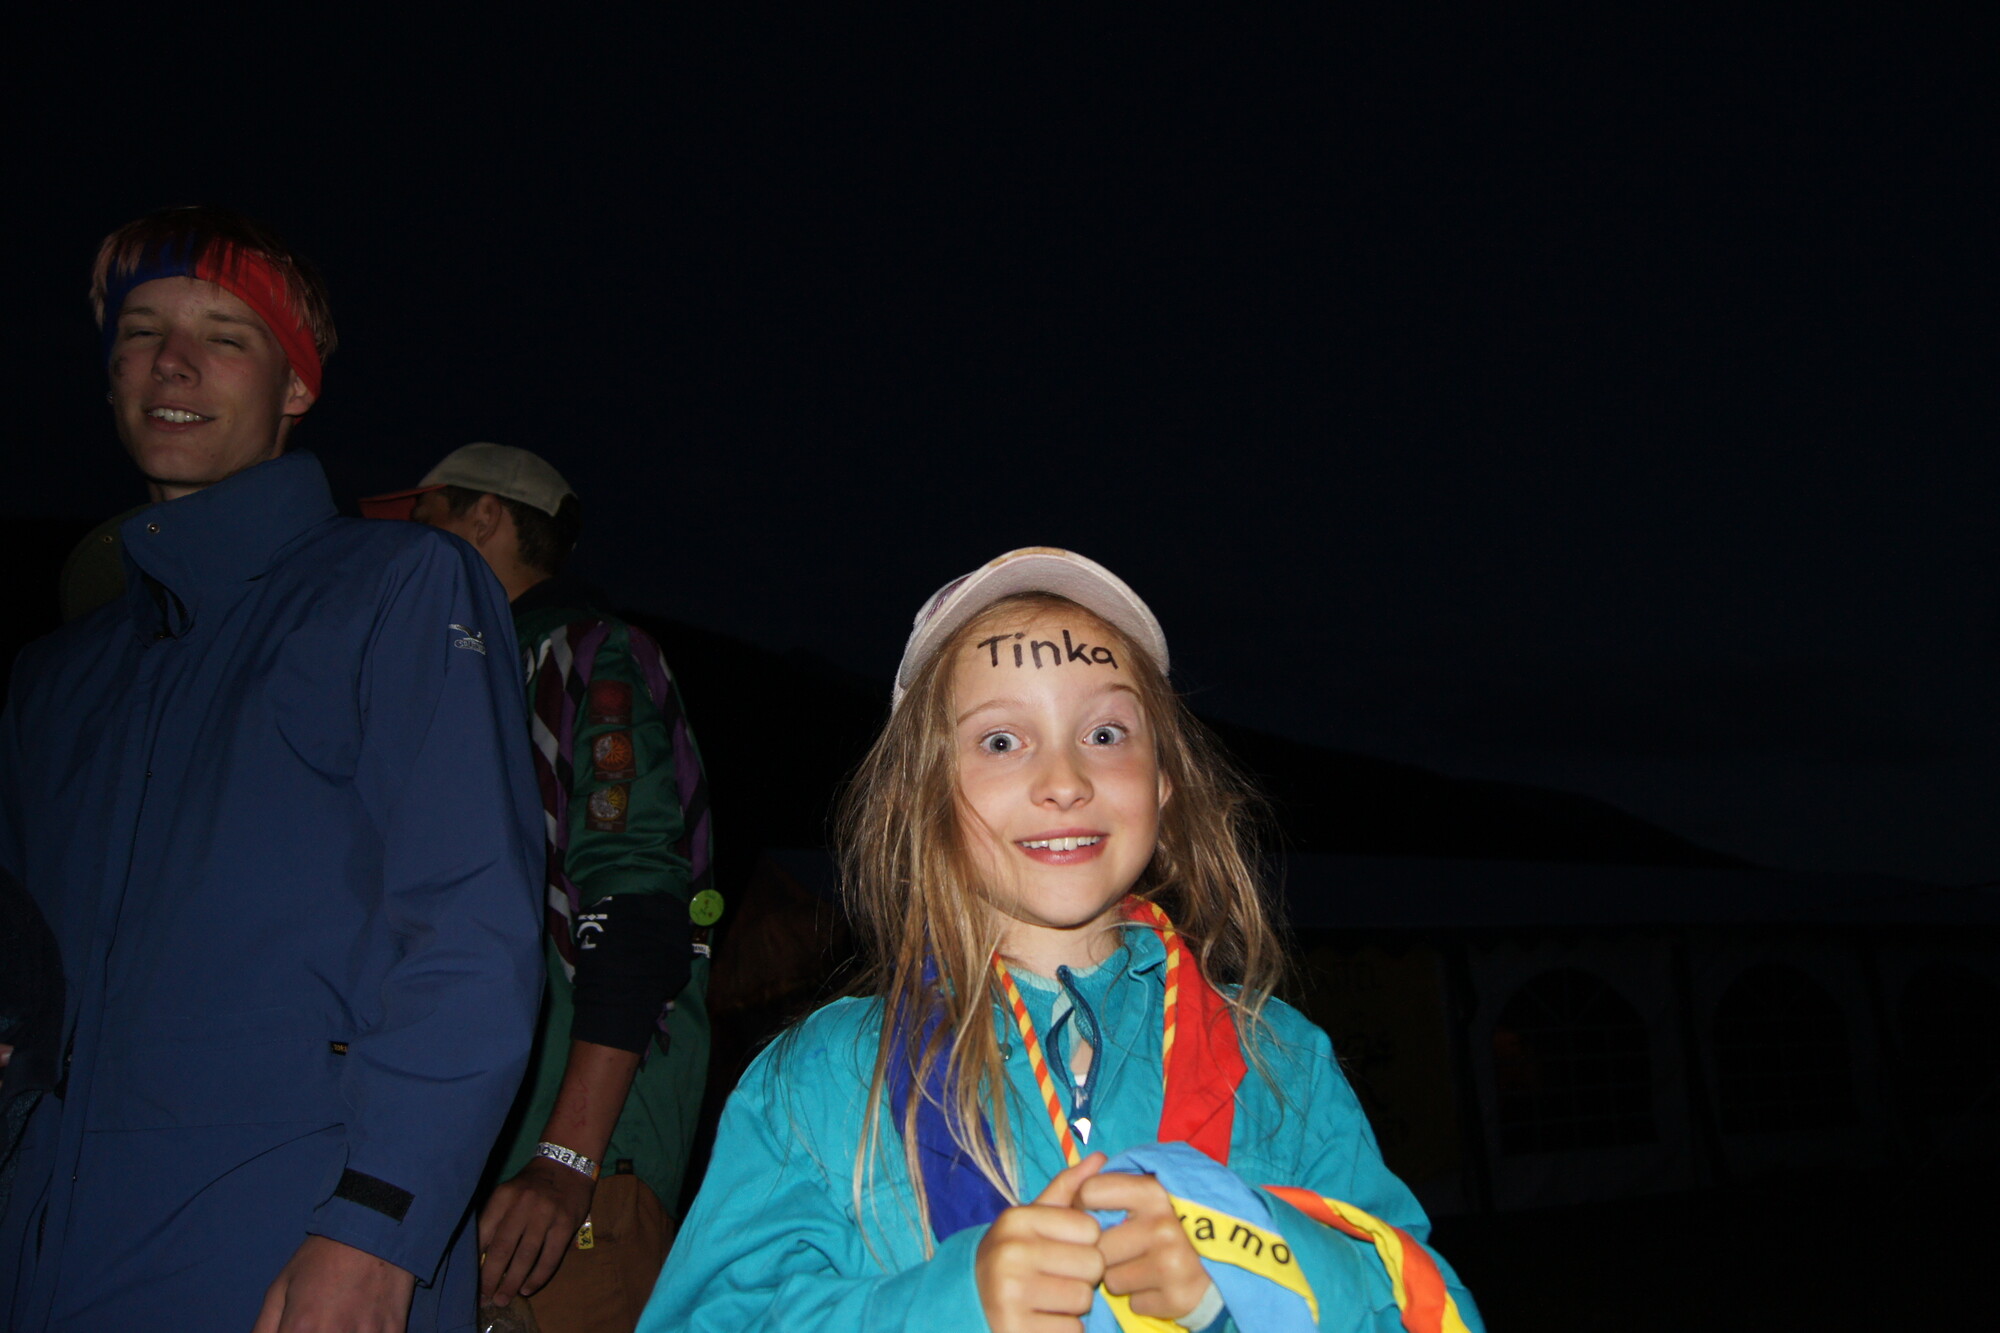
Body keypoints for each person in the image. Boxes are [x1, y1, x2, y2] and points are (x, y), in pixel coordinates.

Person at [638, 547, 1483, 1333]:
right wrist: (946, 1307)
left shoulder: (1280, 1063)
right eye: (1002, 740)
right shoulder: (819, 1084)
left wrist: (1249, 1269)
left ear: (1163, 780)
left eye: (1105, 734)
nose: (1065, 780)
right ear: (924, 798)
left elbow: (1426, 1305)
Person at [0, 207, 546, 1333]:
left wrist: (377, 1224)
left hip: (285, 1245)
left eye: (226, 336)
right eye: (142, 331)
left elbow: (471, 932)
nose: (174, 362)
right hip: (45, 1240)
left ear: (295, 385)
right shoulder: (53, 680)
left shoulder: (401, 587)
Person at [363, 446, 716, 1332]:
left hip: (564, 1188)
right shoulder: (461, 674)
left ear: (485, 517)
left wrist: (568, 1155)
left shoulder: (582, 653)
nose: (407, 545)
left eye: (426, 516)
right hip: (459, 1172)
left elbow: (638, 908)